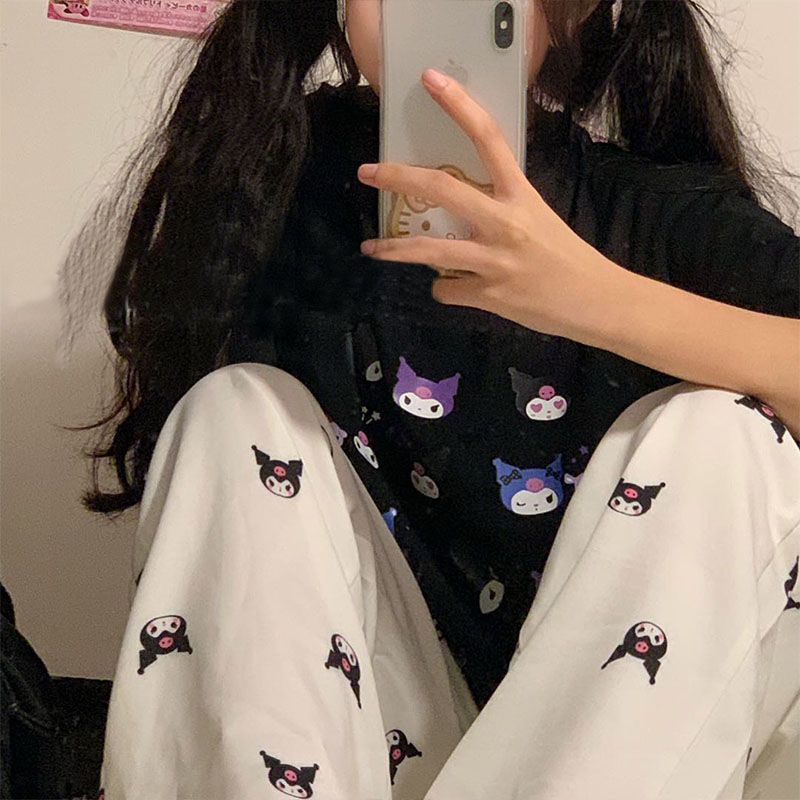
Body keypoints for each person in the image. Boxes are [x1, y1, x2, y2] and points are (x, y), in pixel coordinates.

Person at [60, 0, 800, 797]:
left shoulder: (652, 209)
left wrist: (591, 297)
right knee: (231, 411)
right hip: (367, 719)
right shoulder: (266, 184)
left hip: (613, 740)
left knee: (723, 431)